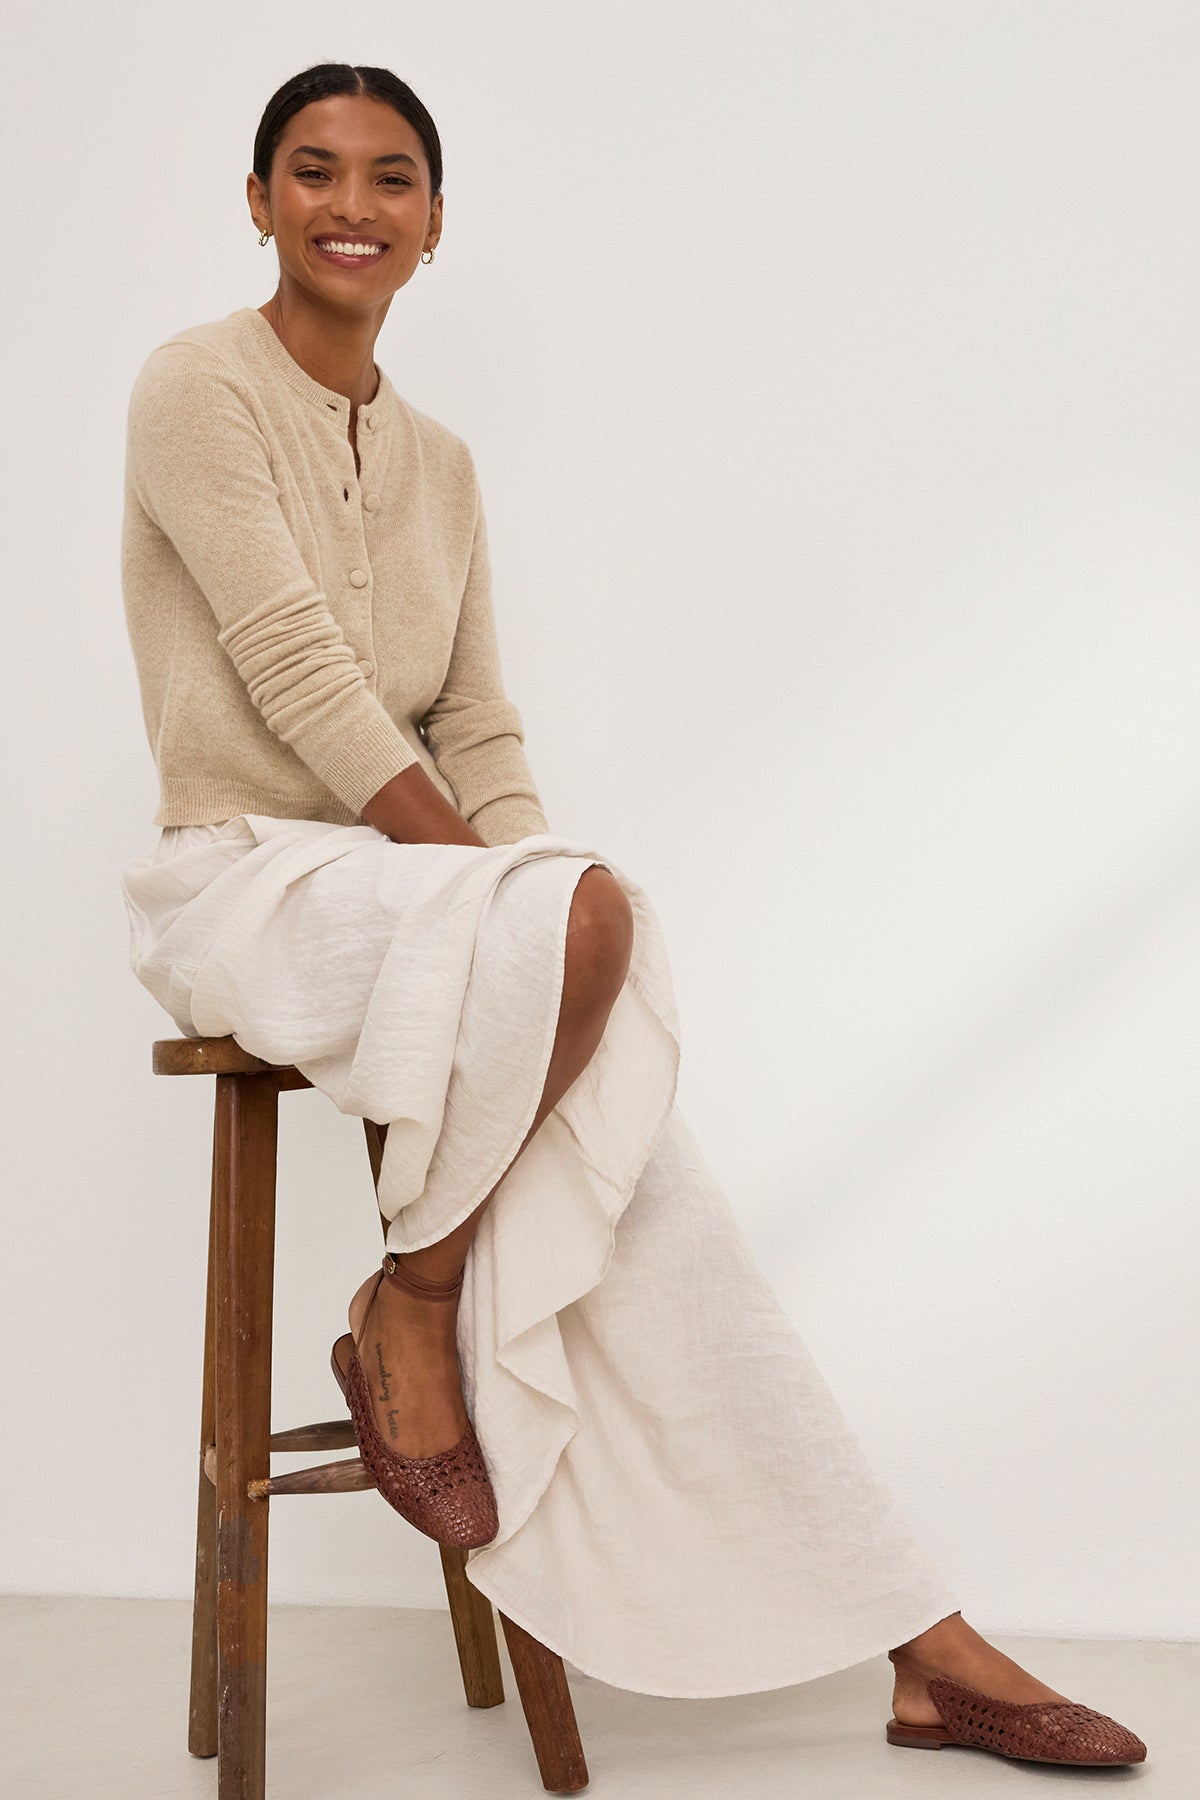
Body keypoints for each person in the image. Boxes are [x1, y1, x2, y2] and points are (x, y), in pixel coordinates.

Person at [117, 60, 1147, 1769]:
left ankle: (917, 1635)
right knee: (582, 927)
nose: (351, 204)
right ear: (258, 201)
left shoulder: (441, 464)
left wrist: (526, 893)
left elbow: (480, 722)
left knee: (639, 1153)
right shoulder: (193, 388)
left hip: (407, 894)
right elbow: (298, 671)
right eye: (313, 171)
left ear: (436, 224)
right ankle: (423, 1305)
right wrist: (525, 901)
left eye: (389, 178)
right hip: (245, 879)